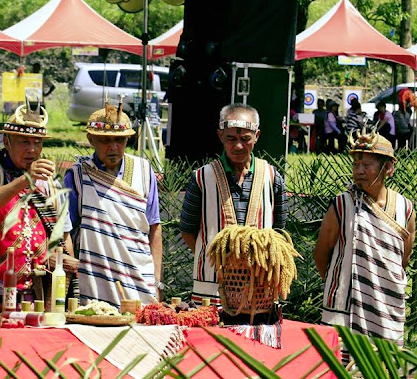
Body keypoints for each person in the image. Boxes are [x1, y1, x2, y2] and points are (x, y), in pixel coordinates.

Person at [314, 129, 415, 354]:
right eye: (355, 165)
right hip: (344, 310)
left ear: (388, 167)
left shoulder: (405, 209)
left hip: (387, 312)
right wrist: (341, 284)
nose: (359, 171)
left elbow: (402, 260)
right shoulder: (342, 205)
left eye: (367, 165)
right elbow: (321, 254)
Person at [179, 103, 287, 305]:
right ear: (220, 136)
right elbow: (187, 230)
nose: (238, 146)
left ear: (257, 136)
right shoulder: (202, 177)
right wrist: (215, 257)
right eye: (231, 138)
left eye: (245, 139)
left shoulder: (272, 177)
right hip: (211, 289)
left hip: (260, 288)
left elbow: (279, 231)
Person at [0, 102, 74, 313]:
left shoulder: (51, 184)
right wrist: (26, 180)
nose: (32, 150)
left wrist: (65, 282)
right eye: (24, 142)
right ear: (6, 141)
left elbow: (63, 235)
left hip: (38, 295)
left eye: (37, 143)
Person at [63, 99, 162, 306]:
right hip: (94, 281)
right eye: (106, 140)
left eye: (120, 140)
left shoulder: (144, 171)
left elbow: (154, 228)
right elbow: (65, 230)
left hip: (141, 280)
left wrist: (156, 282)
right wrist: (73, 271)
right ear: (91, 139)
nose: (114, 147)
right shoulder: (78, 175)